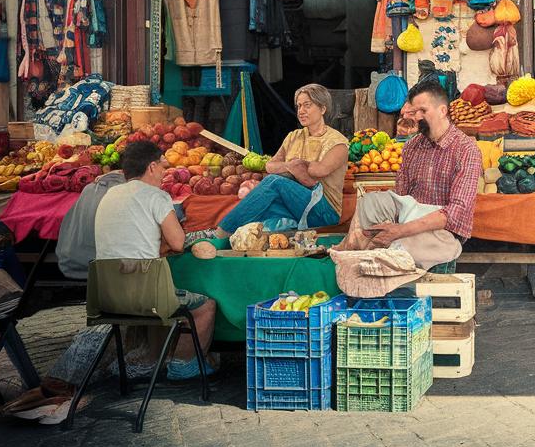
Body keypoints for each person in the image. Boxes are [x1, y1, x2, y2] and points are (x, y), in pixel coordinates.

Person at [94, 140, 217, 378]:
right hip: (145, 293)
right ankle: (183, 364)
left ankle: (153, 358)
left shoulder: (109, 194)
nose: (163, 173)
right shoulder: (156, 196)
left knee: (161, 294)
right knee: (205, 306)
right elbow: (178, 242)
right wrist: (207, 235)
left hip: (105, 294)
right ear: (151, 167)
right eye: (162, 166)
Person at [346, 82, 482, 266]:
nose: (417, 117)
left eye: (423, 111)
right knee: (371, 201)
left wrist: (401, 230)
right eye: (415, 111)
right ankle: (362, 245)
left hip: (441, 233)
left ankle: (382, 250)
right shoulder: (411, 146)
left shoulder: (466, 149)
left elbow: (455, 213)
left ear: (442, 111)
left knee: (403, 247)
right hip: (407, 220)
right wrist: (392, 224)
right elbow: (400, 196)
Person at [214, 84, 349, 236]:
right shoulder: (294, 136)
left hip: (323, 211)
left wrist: (294, 168)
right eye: (298, 106)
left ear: (323, 109)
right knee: (262, 205)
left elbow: (319, 170)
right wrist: (291, 166)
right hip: (295, 204)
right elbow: (270, 165)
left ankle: (219, 233)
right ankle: (224, 240)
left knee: (275, 182)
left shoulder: (338, 142)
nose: (301, 111)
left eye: (307, 105)